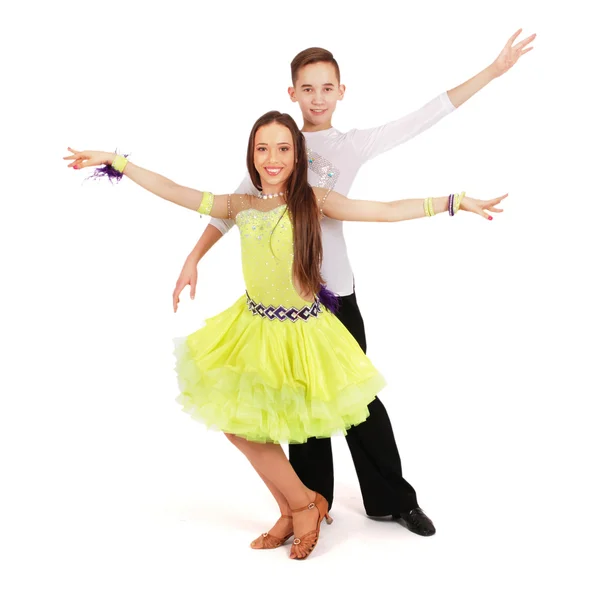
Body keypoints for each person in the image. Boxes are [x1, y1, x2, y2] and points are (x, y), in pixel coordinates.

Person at [64, 112, 505, 559]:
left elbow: (384, 211)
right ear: (250, 154)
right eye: (262, 149)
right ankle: (299, 503)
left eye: (282, 149)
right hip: (255, 326)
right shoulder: (240, 204)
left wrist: (454, 201)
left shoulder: (312, 200)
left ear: (298, 155)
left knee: (281, 424)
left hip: (303, 333)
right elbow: (176, 191)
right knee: (241, 427)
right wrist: (118, 162)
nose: (271, 159)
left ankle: (299, 507)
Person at [171, 29, 535, 538]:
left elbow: (424, 116)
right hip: (282, 305)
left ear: (342, 92)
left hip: (334, 296)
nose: (317, 97)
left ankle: (392, 500)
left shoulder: (353, 144)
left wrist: (492, 72)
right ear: (292, 93)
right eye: (307, 87)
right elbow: (231, 211)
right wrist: (194, 257)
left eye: (327, 87)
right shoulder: (278, 150)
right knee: (301, 405)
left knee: (357, 401)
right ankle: (311, 502)